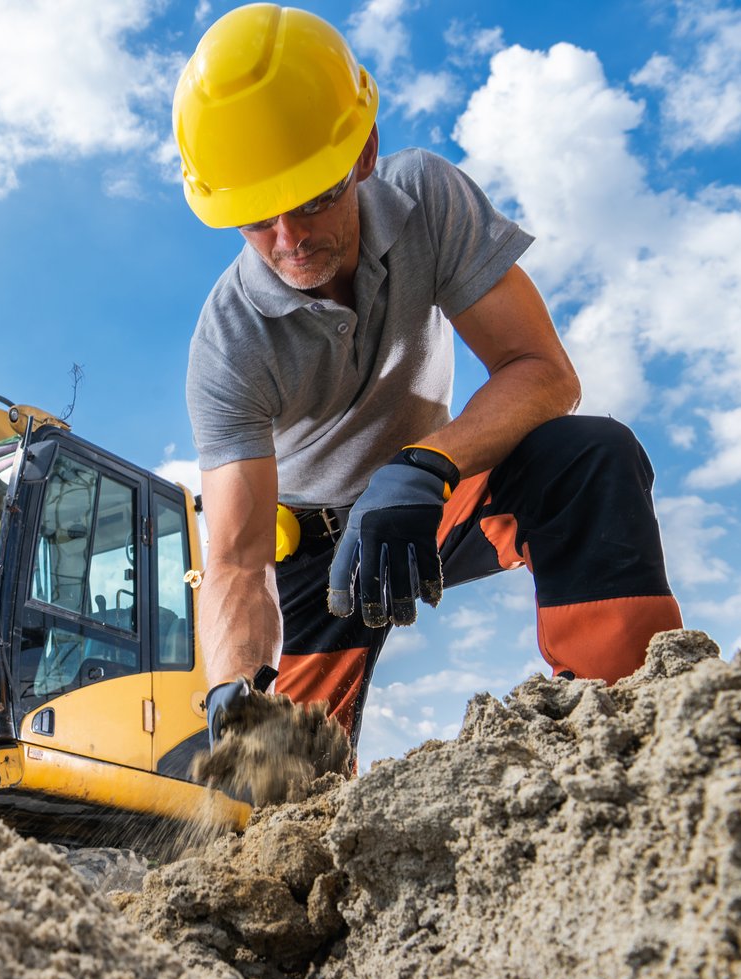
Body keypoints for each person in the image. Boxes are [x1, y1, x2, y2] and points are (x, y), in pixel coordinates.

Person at [172, 4, 682, 755]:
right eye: (255, 219)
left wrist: (425, 465)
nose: (290, 241)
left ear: (365, 153)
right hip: (317, 557)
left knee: (588, 458)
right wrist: (230, 689)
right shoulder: (228, 343)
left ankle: (629, 734)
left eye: (314, 198)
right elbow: (238, 557)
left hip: (430, 495)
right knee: (278, 775)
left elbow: (541, 371)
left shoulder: (426, 199)